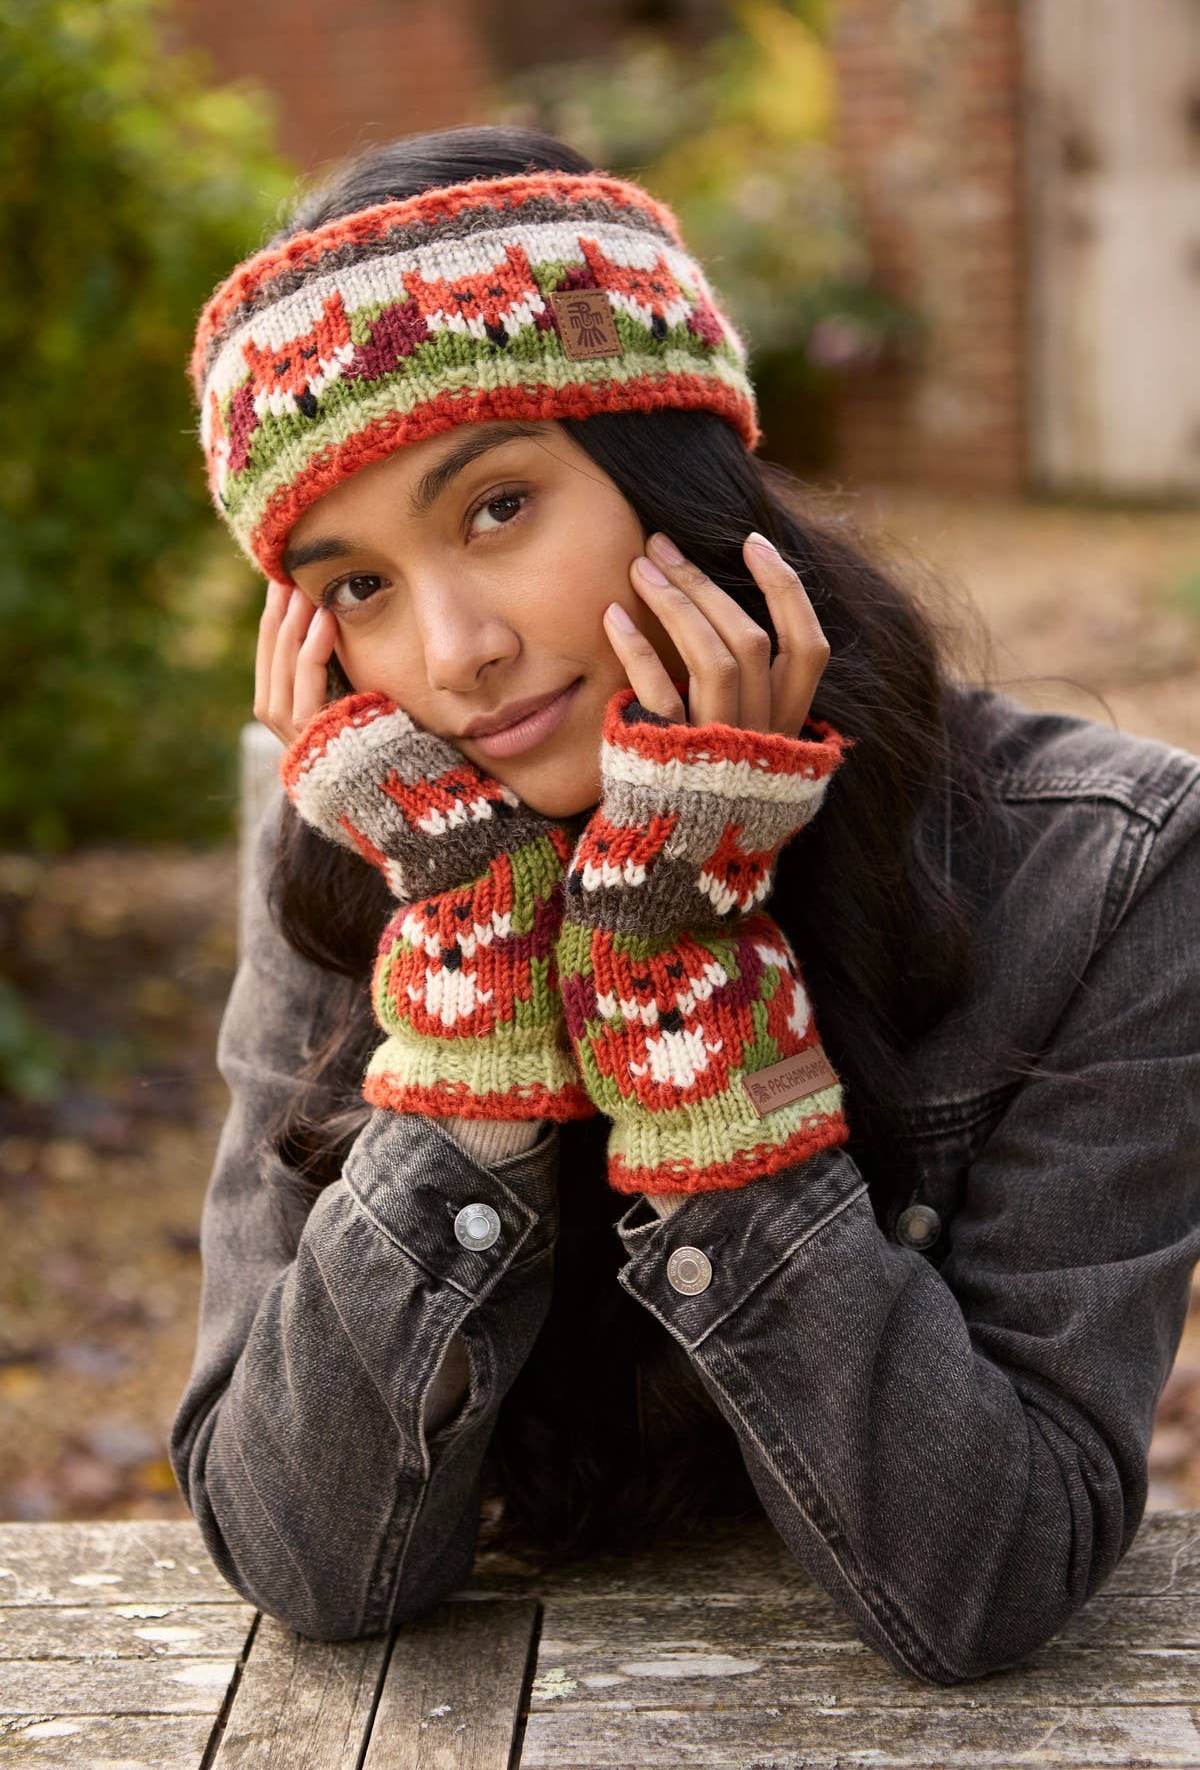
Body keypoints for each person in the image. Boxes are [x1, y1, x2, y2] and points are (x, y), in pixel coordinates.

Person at [169, 124, 1200, 1685]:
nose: (453, 656)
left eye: (497, 508)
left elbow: (988, 1574)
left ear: (678, 479)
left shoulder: (1108, 868)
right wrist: (475, 981)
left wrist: (681, 979)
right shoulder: (370, 859)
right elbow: (299, 1552)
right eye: (359, 584)